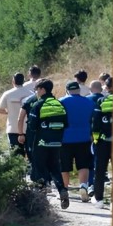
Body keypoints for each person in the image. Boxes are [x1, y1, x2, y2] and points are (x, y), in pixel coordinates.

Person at [21, 79, 70, 208]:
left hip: (41, 143)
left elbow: (32, 126)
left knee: (39, 169)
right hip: (57, 143)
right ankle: (62, 190)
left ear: (42, 89)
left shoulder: (38, 105)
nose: (36, 92)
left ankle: (41, 199)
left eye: (36, 90)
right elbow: (66, 124)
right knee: (55, 168)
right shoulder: (59, 104)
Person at [59, 81, 96, 203]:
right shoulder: (89, 102)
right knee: (83, 164)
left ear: (67, 90)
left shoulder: (62, 102)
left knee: (64, 166)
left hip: (65, 138)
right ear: (79, 90)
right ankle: (83, 186)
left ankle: (64, 189)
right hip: (84, 137)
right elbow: (93, 120)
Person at [90, 76, 113, 207]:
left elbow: (96, 123)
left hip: (103, 142)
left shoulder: (101, 101)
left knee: (99, 171)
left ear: (108, 87)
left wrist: (95, 139)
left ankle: (98, 199)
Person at [0, 73, 33, 157]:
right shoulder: (31, 94)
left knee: (15, 155)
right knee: (30, 154)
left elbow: (0, 109)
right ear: (24, 81)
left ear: (13, 81)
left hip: (13, 128)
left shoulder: (7, 94)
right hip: (28, 129)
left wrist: (10, 112)